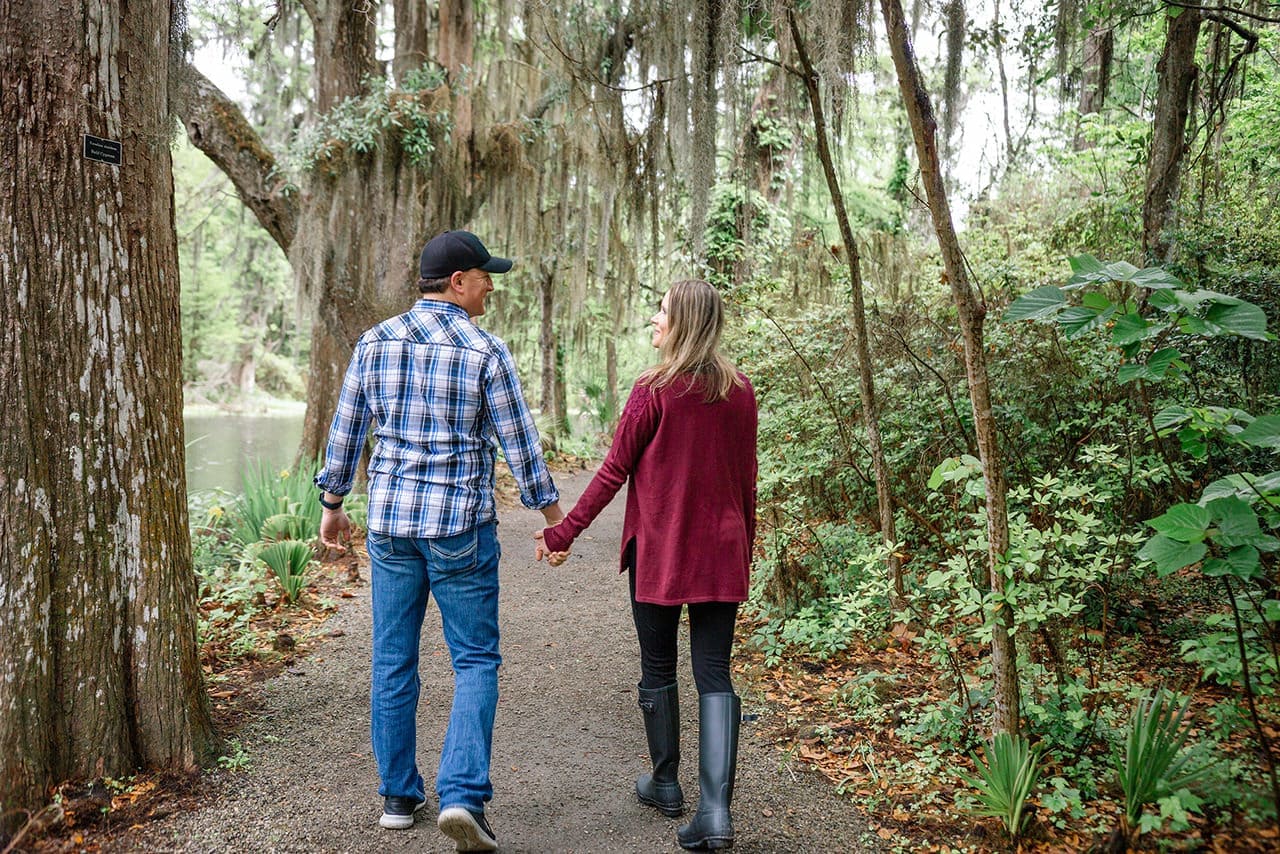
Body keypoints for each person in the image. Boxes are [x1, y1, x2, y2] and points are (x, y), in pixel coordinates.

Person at [316, 229, 563, 853]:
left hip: (392, 527)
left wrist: (332, 505)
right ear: (458, 282)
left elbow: (346, 431)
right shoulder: (485, 350)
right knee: (474, 659)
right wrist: (552, 517)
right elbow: (519, 443)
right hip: (459, 529)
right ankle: (462, 796)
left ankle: (399, 798)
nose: (490, 289)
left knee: (392, 658)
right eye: (485, 278)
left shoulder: (375, 341)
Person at [534, 279, 758, 851]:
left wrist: (563, 532)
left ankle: (665, 783)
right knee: (714, 672)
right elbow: (746, 480)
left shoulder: (653, 389)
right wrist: (745, 550)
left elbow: (614, 470)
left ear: (684, 322)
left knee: (658, 663)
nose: (654, 320)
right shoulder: (740, 391)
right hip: (722, 551)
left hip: (663, 549)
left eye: (661, 311)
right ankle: (715, 813)